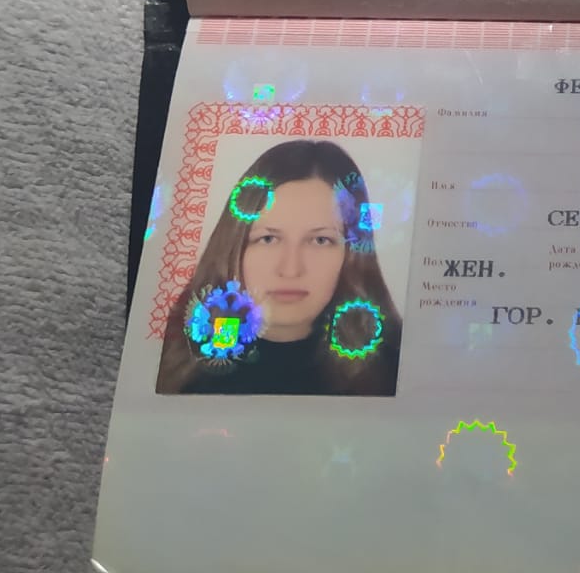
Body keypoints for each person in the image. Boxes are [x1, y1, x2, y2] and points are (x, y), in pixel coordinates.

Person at [156, 140, 402, 396]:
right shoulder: (167, 363)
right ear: (234, 246)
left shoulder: (395, 373)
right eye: (268, 239)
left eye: (320, 240)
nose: (290, 269)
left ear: (352, 254)